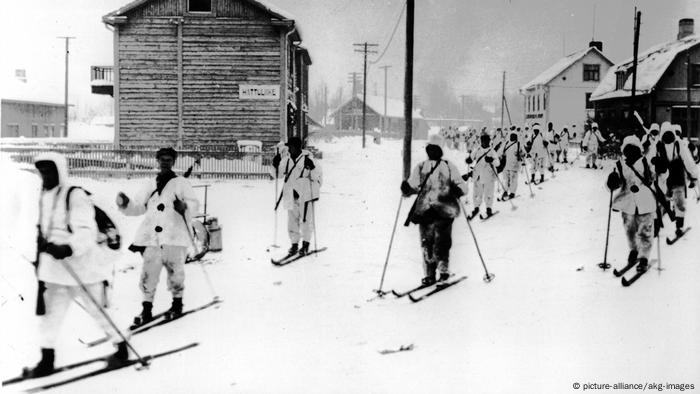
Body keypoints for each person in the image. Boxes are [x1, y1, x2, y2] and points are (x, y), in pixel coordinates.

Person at [25, 152, 128, 378]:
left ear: (60, 171)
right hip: (54, 270)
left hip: (83, 269)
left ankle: (121, 349)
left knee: (99, 312)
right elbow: (42, 231)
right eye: (42, 172)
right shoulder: (44, 195)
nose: (45, 176)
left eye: (49, 171)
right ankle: (46, 360)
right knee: (49, 317)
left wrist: (67, 248)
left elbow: (86, 231)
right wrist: (39, 261)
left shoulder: (75, 195)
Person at [116, 147, 199, 325]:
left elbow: (194, 205)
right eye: (162, 159)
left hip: (174, 237)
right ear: (158, 161)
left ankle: (177, 305)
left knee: (176, 273)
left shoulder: (181, 183)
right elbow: (138, 207)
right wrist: (126, 204)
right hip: (152, 238)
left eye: (169, 159)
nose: (165, 162)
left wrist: (185, 206)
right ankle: (146, 310)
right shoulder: (150, 184)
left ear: (173, 161)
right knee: (148, 275)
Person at [401, 134, 468, 285]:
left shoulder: (449, 166)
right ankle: (429, 274)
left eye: (435, 148)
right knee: (427, 243)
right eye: (429, 148)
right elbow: (412, 186)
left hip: (445, 209)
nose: (431, 151)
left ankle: (443, 270)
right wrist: (406, 188)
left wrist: (458, 190)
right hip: (425, 211)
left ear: (440, 150)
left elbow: (462, 185)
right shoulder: (420, 167)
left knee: (443, 241)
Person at [606, 136, 658, 273]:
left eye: (633, 149)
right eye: (627, 149)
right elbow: (613, 184)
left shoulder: (646, 163)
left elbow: (657, 176)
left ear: (638, 150)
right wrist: (611, 181)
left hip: (645, 201)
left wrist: (662, 168)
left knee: (645, 231)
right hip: (627, 202)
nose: (630, 152)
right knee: (630, 231)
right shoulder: (620, 165)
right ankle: (634, 250)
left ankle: (644, 258)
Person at [272, 137, 322, 257]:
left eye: (293, 147)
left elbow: (317, 178)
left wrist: (312, 168)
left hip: (305, 196)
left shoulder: (309, 159)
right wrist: (275, 164)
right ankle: (294, 245)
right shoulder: (287, 160)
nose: (291, 149)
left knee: (306, 221)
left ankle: (305, 244)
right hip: (291, 196)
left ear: (298, 147)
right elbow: (278, 174)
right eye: (290, 147)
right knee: (292, 222)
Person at [652, 122, 698, 237]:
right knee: (661, 203)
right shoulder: (658, 145)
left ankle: (679, 226)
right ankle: (656, 225)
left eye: (669, 134)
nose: (668, 137)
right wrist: (654, 167)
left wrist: (693, 174)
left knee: (679, 202)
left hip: (677, 176)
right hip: (663, 178)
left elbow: (687, 159)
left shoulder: (678, 144)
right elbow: (650, 162)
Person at [466, 132, 500, 218]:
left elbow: (497, 163)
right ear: (481, 141)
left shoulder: (492, 151)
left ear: (489, 141)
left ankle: (488, 209)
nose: (484, 142)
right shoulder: (477, 150)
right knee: (477, 194)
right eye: (483, 141)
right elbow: (471, 158)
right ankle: (476, 208)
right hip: (478, 175)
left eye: (486, 141)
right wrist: (469, 160)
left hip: (489, 176)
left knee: (488, 193)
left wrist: (491, 159)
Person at [499, 131, 525, 200]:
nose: (512, 137)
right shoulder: (506, 143)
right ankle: (505, 191)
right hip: (506, 165)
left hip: (514, 166)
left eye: (514, 136)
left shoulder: (519, 144)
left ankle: (512, 193)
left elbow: (523, 153)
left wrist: (521, 155)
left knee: (513, 180)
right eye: (511, 136)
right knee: (506, 180)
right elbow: (500, 152)